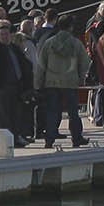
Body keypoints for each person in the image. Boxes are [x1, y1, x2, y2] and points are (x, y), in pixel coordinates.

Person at [37, 13, 89, 148]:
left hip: (51, 83)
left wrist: (39, 83)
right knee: (73, 113)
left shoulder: (49, 43)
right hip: (70, 82)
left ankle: (49, 140)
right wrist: (81, 77)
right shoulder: (76, 43)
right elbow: (84, 62)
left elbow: (41, 64)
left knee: (52, 111)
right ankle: (76, 138)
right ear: (71, 27)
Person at [0, 21, 32, 147]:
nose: (5, 37)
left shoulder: (14, 49)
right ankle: (5, 141)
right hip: (3, 87)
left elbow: (24, 65)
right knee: (3, 116)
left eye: (7, 34)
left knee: (15, 114)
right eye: (2, 35)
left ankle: (15, 138)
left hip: (17, 86)